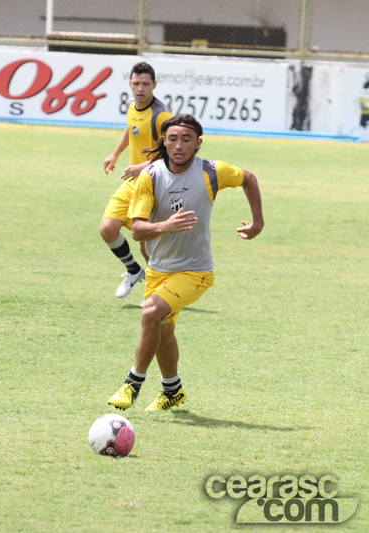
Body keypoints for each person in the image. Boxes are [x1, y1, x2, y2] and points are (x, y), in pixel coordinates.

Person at [107, 114, 263, 411]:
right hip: (157, 270)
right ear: (163, 142)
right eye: (173, 139)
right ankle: (172, 390)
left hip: (196, 272)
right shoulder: (150, 175)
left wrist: (257, 223)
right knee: (163, 332)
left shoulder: (212, 172)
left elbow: (249, 179)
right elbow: (137, 228)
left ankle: (132, 384)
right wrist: (165, 226)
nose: (179, 145)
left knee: (151, 312)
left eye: (186, 139)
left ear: (198, 143)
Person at [101, 62, 172, 299]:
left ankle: (158, 295)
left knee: (146, 245)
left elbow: (173, 152)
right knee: (107, 229)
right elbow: (130, 128)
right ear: (130, 84)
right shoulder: (132, 105)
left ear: (154, 85)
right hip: (132, 182)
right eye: (136, 83)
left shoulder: (162, 115)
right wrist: (116, 153)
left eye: (145, 84)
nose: (140, 88)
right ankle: (133, 270)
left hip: (152, 185)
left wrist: (143, 166)